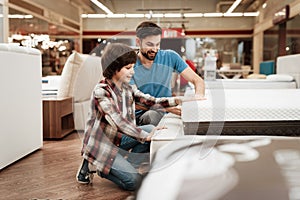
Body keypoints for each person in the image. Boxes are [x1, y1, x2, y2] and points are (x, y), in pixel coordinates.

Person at [76, 43, 182, 191]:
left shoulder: (128, 88)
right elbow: (117, 121)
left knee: (152, 129)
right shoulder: (101, 92)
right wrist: (145, 136)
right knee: (134, 182)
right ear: (114, 67)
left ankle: (122, 167)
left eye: (133, 67)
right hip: (102, 146)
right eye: (128, 68)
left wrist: (178, 100)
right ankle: (99, 167)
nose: (132, 72)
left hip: (119, 139)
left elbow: (149, 100)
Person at [130, 21, 205, 126]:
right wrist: (167, 108)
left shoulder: (170, 57)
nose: (155, 49)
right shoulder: (129, 65)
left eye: (157, 44)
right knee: (153, 115)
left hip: (168, 111)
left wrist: (199, 99)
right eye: (150, 45)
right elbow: (135, 101)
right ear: (138, 42)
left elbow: (198, 80)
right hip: (144, 115)